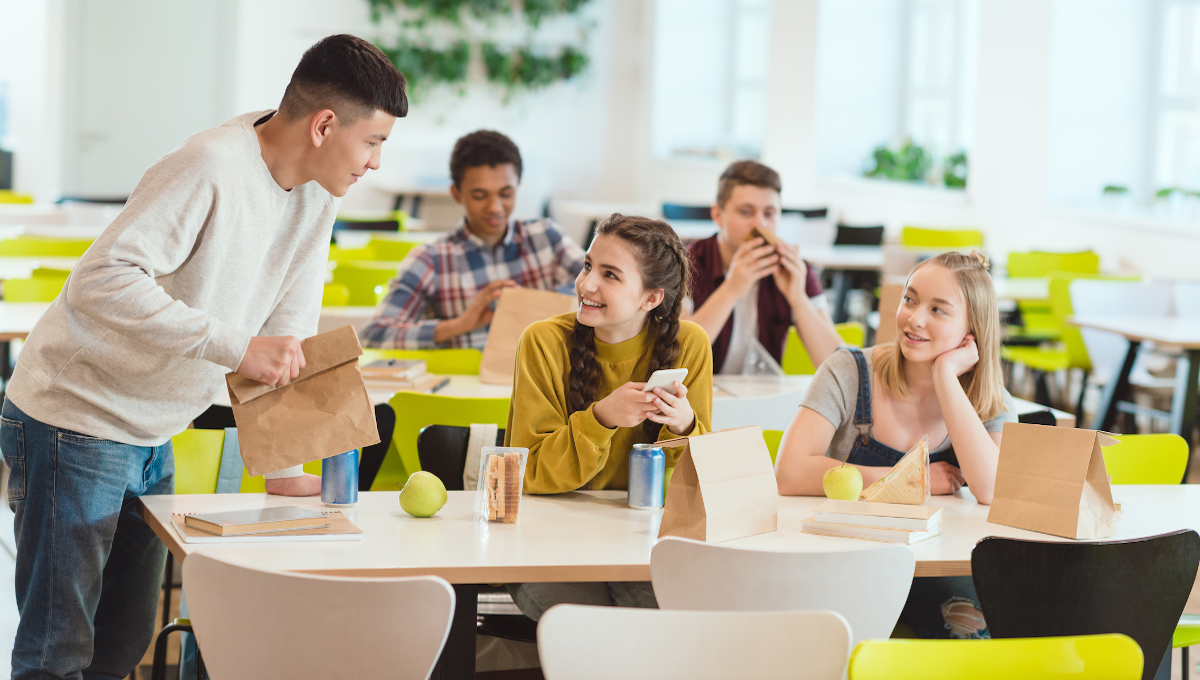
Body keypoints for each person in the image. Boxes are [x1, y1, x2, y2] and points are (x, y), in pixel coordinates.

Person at [0, 35, 406, 679]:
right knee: (59, 653)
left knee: (122, 645)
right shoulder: (209, 165)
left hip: (155, 429)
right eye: (374, 142)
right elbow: (104, 280)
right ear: (325, 125)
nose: (377, 163)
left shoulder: (317, 198)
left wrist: (283, 462)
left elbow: (286, 338)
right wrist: (236, 345)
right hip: (74, 422)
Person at [774, 250, 1016, 639]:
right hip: (839, 559)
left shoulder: (987, 399)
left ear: (972, 331)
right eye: (910, 299)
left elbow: (992, 489)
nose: (914, 318)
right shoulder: (847, 371)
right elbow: (789, 472)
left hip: (936, 569)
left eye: (938, 310)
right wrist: (909, 481)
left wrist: (945, 377)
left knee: (970, 638)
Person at [504, 213, 713, 620]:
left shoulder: (691, 343)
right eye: (588, 266)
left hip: (643, 542)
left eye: (610, 274)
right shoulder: (543, 342)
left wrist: (685, 425)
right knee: (603, 630)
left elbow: (697, 482)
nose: (586, 284)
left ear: (651, 298)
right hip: (548, 542)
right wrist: (601, 418)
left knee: (662, 623)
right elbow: (528, 474)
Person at [360, 130, 585, 350]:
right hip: (466, 384)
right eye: (479, 195)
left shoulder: (546, 238)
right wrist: (459, 325)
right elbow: (374, 335)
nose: (495, 207)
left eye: (506, 194)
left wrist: (530, 303)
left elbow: (603, 286)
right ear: (456, 193)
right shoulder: (431, 260)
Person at [686, 160, 842, 374]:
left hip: (764, 396)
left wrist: (797, 299)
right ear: (718, 215)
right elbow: (680, 358)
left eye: (769, 214)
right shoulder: (686, 263)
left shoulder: (794, 268)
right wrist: (731, 290)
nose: (760, 224)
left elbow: (837, 367)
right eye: (746, 212)